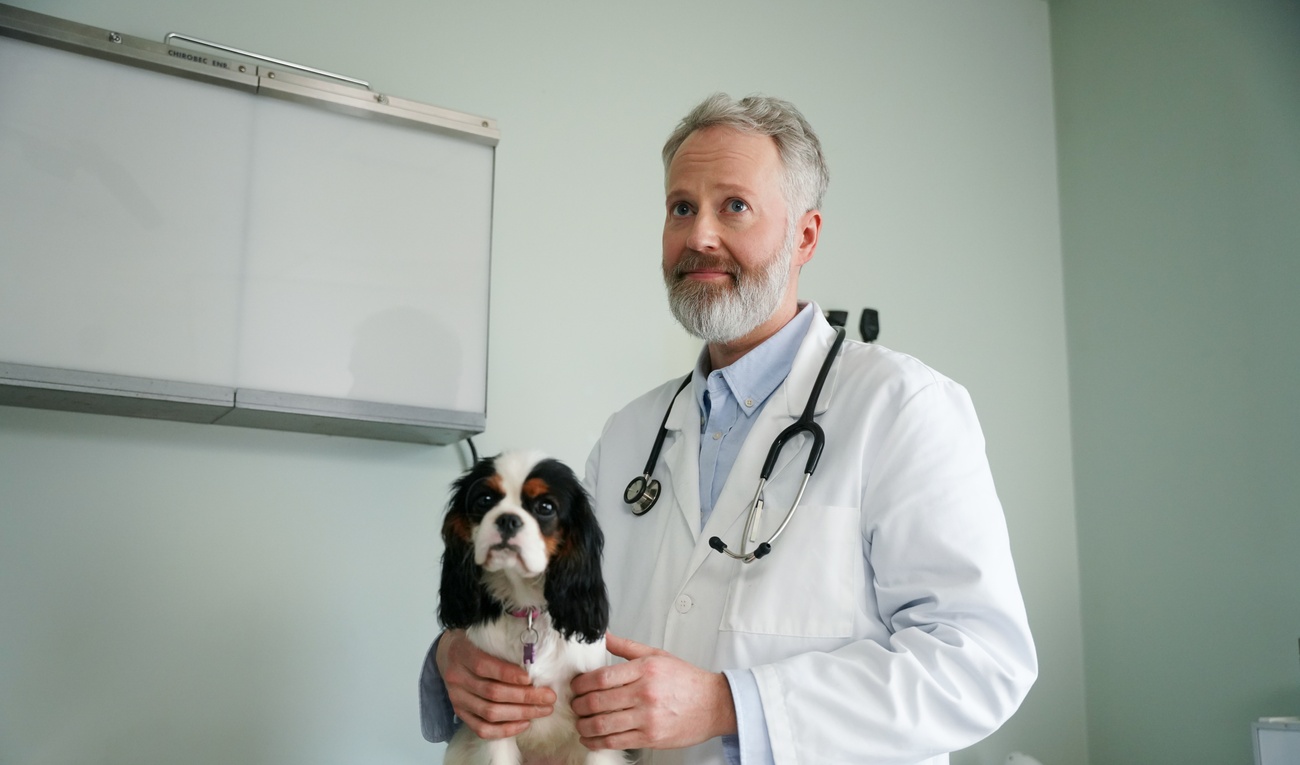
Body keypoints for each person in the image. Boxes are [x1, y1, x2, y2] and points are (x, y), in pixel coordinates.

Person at [421, 93, 1037, 765]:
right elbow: (565, 615)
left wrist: (730, 703)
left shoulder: (903, 408)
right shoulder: (631, 435)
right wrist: (453, 653)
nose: (699, 236)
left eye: (733, 206)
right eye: (681, 207)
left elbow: (980, 662)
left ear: (804, 236)